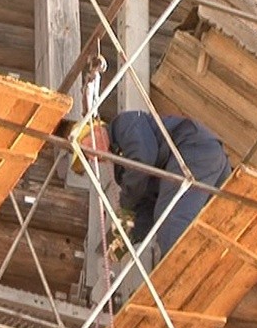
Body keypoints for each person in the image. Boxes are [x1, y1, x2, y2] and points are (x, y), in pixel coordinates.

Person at [74, 110, 231, 268]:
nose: (93, 158)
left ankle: (176, 274)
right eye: (87, 158)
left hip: (193, 150)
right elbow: (147, 208)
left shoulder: (124, 125)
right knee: (218, 228)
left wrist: (125, 206)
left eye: (87, 148)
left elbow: (141, 162)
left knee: (170, 220)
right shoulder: (122, 171)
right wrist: (127, 239)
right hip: (210, 161)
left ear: (96, 130)